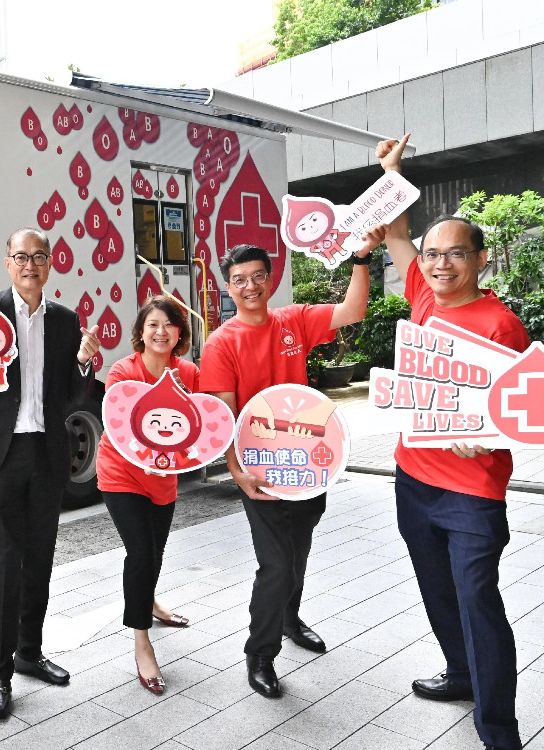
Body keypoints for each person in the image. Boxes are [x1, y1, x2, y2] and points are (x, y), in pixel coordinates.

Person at [377, 135, 526, 750]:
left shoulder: (501, 324)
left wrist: (485, 435)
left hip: (471, 492)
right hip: (414, 480)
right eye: (433, 254)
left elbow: (520, 411)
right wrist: (391, 174)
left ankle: (498, 729)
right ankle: (461, 675)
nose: (439, 264)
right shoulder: (423, 296)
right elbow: (393, 238)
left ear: (481, 259)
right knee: (436, 592)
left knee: (478, 603)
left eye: (455, 255)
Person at [199, 228, 383, 700]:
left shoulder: (293, 321)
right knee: (276, 564)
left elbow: (352, 311)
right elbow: (223, 414)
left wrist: (360, 258)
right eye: (239, 279)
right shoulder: (222, 343)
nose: (250, 286)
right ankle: (259, 653)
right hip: (260, 472)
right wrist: (237, 472)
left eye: (258, 276)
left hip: (306, 467)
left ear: (270, 277)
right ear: (229, 286)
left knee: (298, 554)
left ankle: (289, 618)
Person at [0, 228, 99, 721]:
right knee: (5, 560)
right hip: (0, 454)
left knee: (40, 558)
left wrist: (82, 362)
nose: (30, 264)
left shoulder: (65, 320)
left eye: (38, 256)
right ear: (6, 263)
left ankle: (29, 652)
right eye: (20, 256)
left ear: (50, 263)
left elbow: (75, 395)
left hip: (47, 453)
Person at [95, 296, 199, 695]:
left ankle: (151, 603)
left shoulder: (187, 372)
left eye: (169, 325)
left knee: (155, 551)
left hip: (163, 479)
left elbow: (202, 423)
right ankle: (142, 642)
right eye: (152, 324)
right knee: (140, 553)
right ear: (140, 332)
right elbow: (121, 429)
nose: (161, 332)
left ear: (179, 333)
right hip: (121, 472)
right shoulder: (124, 371)